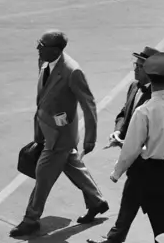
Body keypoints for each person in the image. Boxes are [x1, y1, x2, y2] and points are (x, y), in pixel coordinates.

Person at [88, 46, 164, 243]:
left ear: (150, 72)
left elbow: (131, 147)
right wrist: (119, 130)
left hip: (151, 168)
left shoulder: (146, 110)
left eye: (139, 66)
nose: (135, 69)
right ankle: (114, 239)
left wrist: (116, 172)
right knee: (130, 202)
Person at [10, 31, 108, 238]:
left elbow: (88, 104)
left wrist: (90, 138)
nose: (37, 48)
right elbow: (44, 96)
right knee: (72, 165)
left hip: (59, 137)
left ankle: (31, 219)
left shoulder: (72, 72)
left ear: (55, 50)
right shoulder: (44, 62)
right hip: (46, 128)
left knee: (43, 175)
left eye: (41, 45)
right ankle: (97, 201)